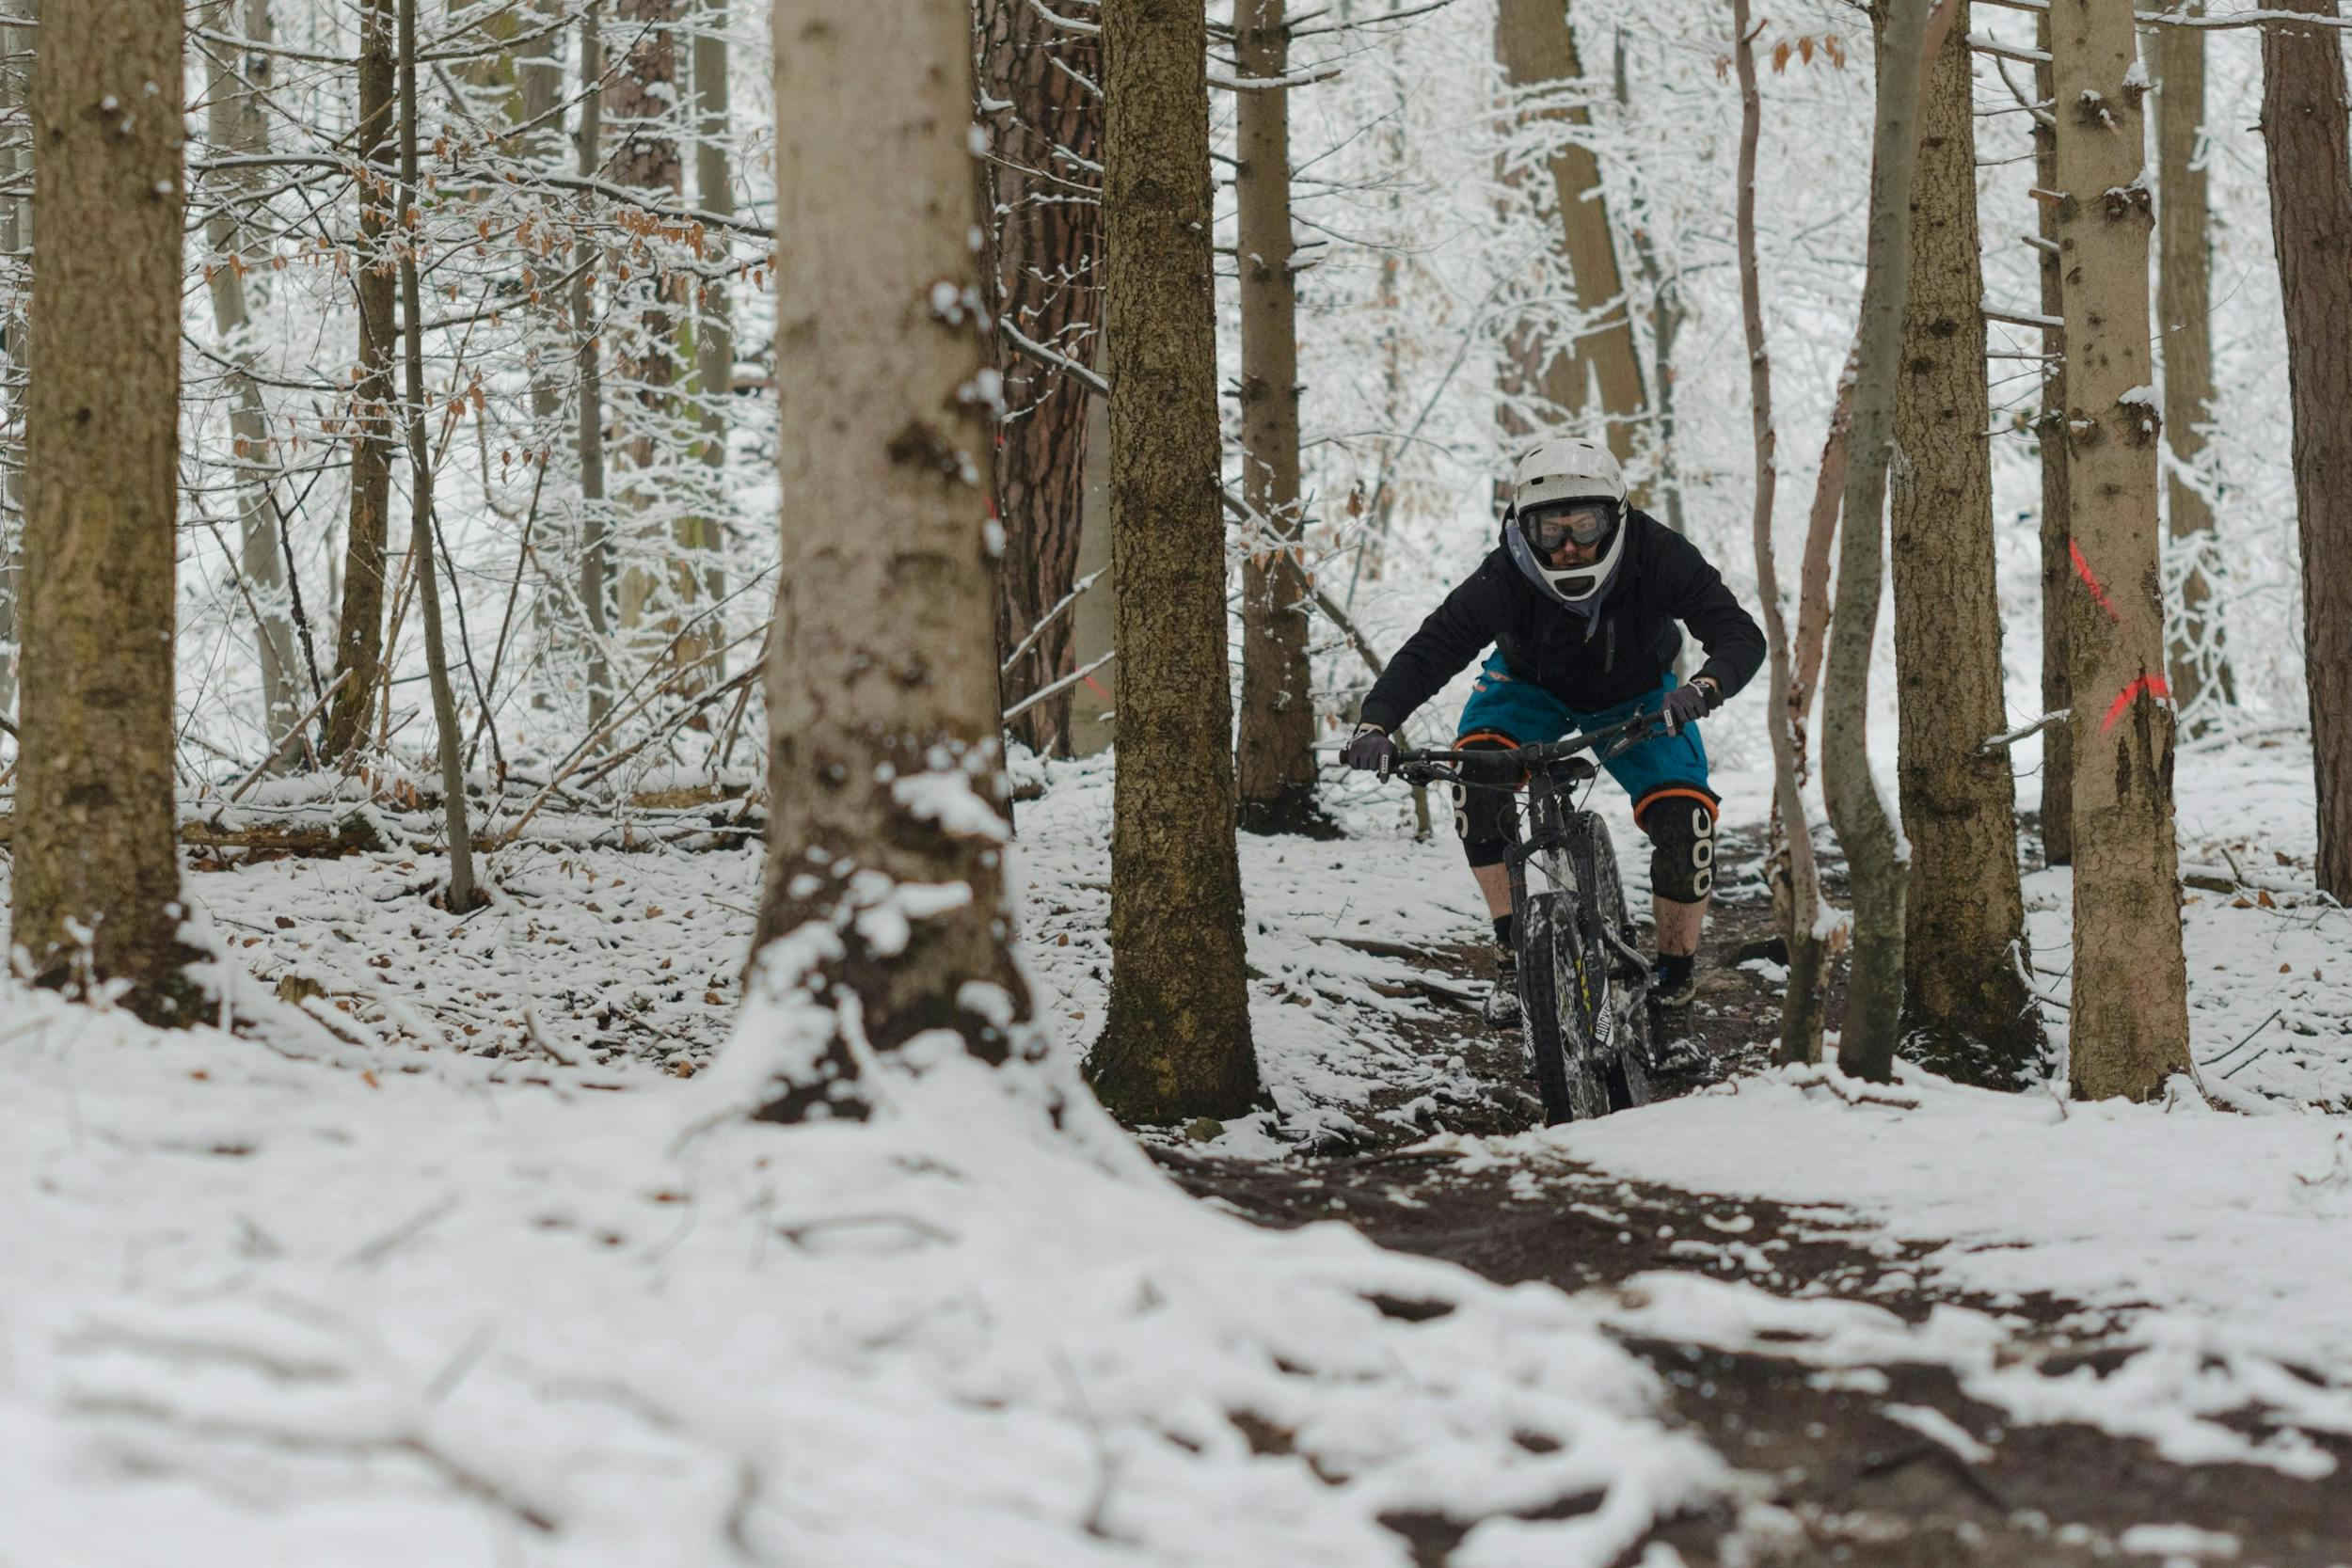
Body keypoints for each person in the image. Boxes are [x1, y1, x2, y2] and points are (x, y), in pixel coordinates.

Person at [1342, 437, 1765, 1022]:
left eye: (1585, 527)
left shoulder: (1659, 554)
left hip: (1641, 696)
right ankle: (1512, 951)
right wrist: (1376, 723)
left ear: (1616, 518)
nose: (1568, 547)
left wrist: (1705, 687)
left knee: (1686, 821)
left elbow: (1738, 633)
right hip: (1525, 690)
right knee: (1475, 778)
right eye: (1549, 531)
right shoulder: (1505, 573)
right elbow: (1432, 650)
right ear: (1522, 525)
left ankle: (1675, 983)